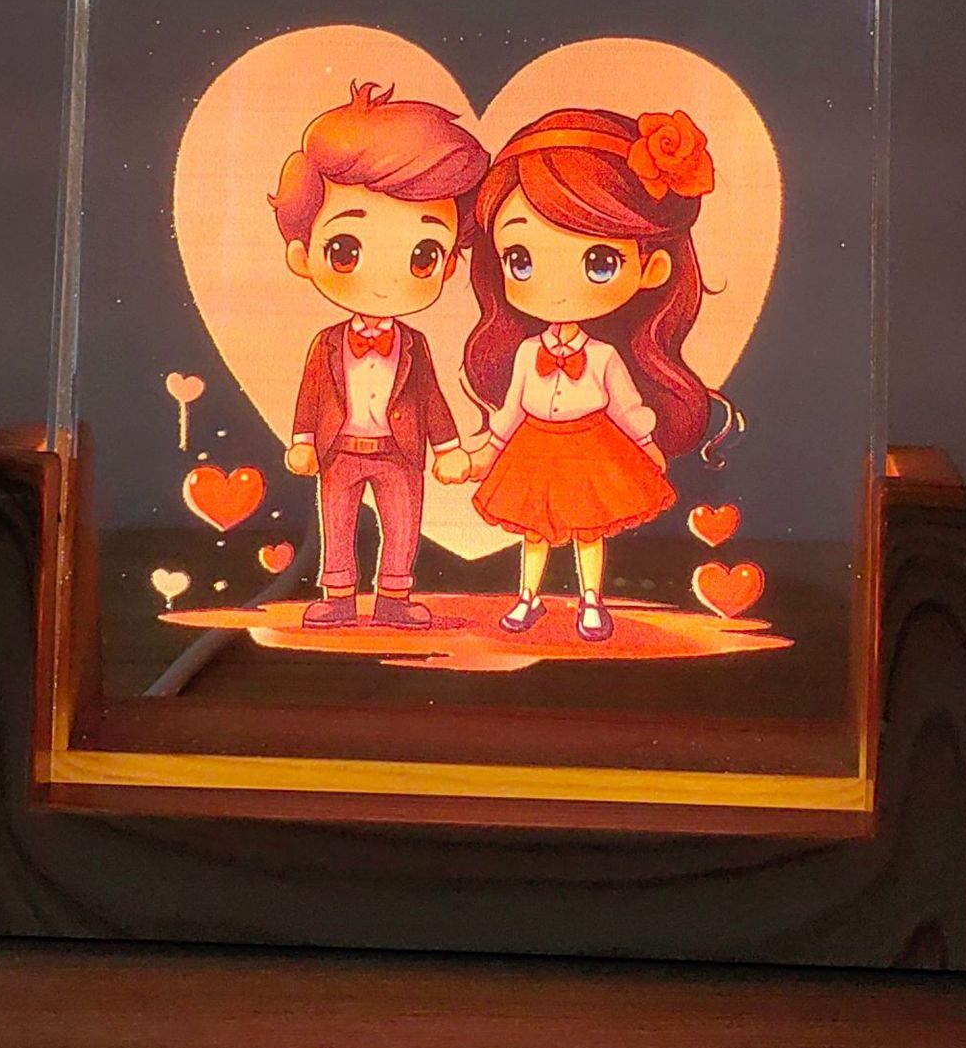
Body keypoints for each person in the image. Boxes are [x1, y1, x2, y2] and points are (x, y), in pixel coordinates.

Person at [450, 106, 728, 643]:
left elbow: (626, 405)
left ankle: (592, 601)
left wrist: (646, 446)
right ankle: (527, 598)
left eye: (599, 262)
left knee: (589, 532)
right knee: (533, 532)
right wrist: (486, 451)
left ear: (652, 268)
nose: (553, 287)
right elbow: (511, 409)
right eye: (521, 259)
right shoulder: (527, 352)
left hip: (591, 448)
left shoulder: (601, 356)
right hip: (534, 448)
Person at [271, 81, 489, 630]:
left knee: (403, 522)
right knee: (337, 523)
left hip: (401, 450)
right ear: (302, 255)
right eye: (345, 250)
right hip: (339, 448)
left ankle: (394, 597)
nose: (388, 280)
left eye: (423, 254)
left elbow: (432, 397)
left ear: (448, 265)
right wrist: (302, 440)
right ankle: (339, 597)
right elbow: (310, 394)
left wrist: (449, 447)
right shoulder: (326, 343)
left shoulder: (413, 344)